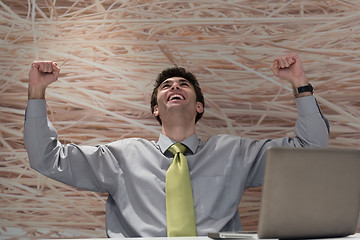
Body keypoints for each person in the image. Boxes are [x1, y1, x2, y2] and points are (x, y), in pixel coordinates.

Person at [24, 53, 329, 238]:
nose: (174, 87)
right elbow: (47, 158)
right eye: (166, 85)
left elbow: (310, 149)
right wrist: (37, 91)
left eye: (183, 85)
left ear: (199, 107)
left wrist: (299, 83)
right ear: (156, 109)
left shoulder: (234, 153)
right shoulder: (122, 157)